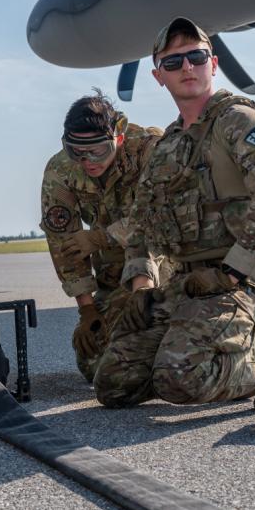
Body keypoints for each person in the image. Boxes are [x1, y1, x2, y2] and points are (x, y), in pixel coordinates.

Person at [94, 17, 255, 407]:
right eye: (173, 62)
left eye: (196, 56)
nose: (186, 67)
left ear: (214, 64)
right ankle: (191, 349)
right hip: (184, 286)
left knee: (180, 380)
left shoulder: (237, 121)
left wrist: (235, 271)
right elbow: (141, 224)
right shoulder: (166, 146)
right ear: (159, 76)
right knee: (112, 384)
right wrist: (142, 286)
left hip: (240, 284)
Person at [40, 90, 162, 382]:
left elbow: (159, 217)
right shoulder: (61, 170)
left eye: (98, 151)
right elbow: (63, 242)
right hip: (114, 278)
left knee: (161, 351)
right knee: (93, 364)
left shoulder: (150, 151)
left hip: (164, 268)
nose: (88, 161)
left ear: (118, 137)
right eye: (77, 153)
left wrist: (99, 238)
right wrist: (88, 310)